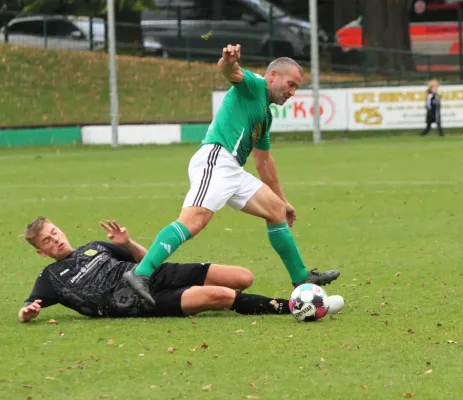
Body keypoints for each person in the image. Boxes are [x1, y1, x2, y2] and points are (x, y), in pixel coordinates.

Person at [123, 43, 340, 306]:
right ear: (273, 76)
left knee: (274, 211)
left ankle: (302, 279)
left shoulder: (265, 115)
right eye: (291, 84)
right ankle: (141, 273)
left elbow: (264, 163)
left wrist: (283, 201)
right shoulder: (254, 86)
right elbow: (230, 72)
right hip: (216, 160)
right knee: (194, 221)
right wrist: (228, 60)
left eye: (296, 88)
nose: (292, 92)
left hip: (232, 170)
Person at [18, 217, 298, 323]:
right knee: (221, 296)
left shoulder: (95, 246)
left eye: (55, 232)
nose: (55, 239)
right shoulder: (51, 278)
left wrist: (127, 243)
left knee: (243, 277)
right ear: (42, 251)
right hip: (139, 301)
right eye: (47, 240)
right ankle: (294, 307)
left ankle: (198, 296)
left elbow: (145, 258)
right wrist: (28, 313)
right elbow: (28, 308)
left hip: (155, 274)